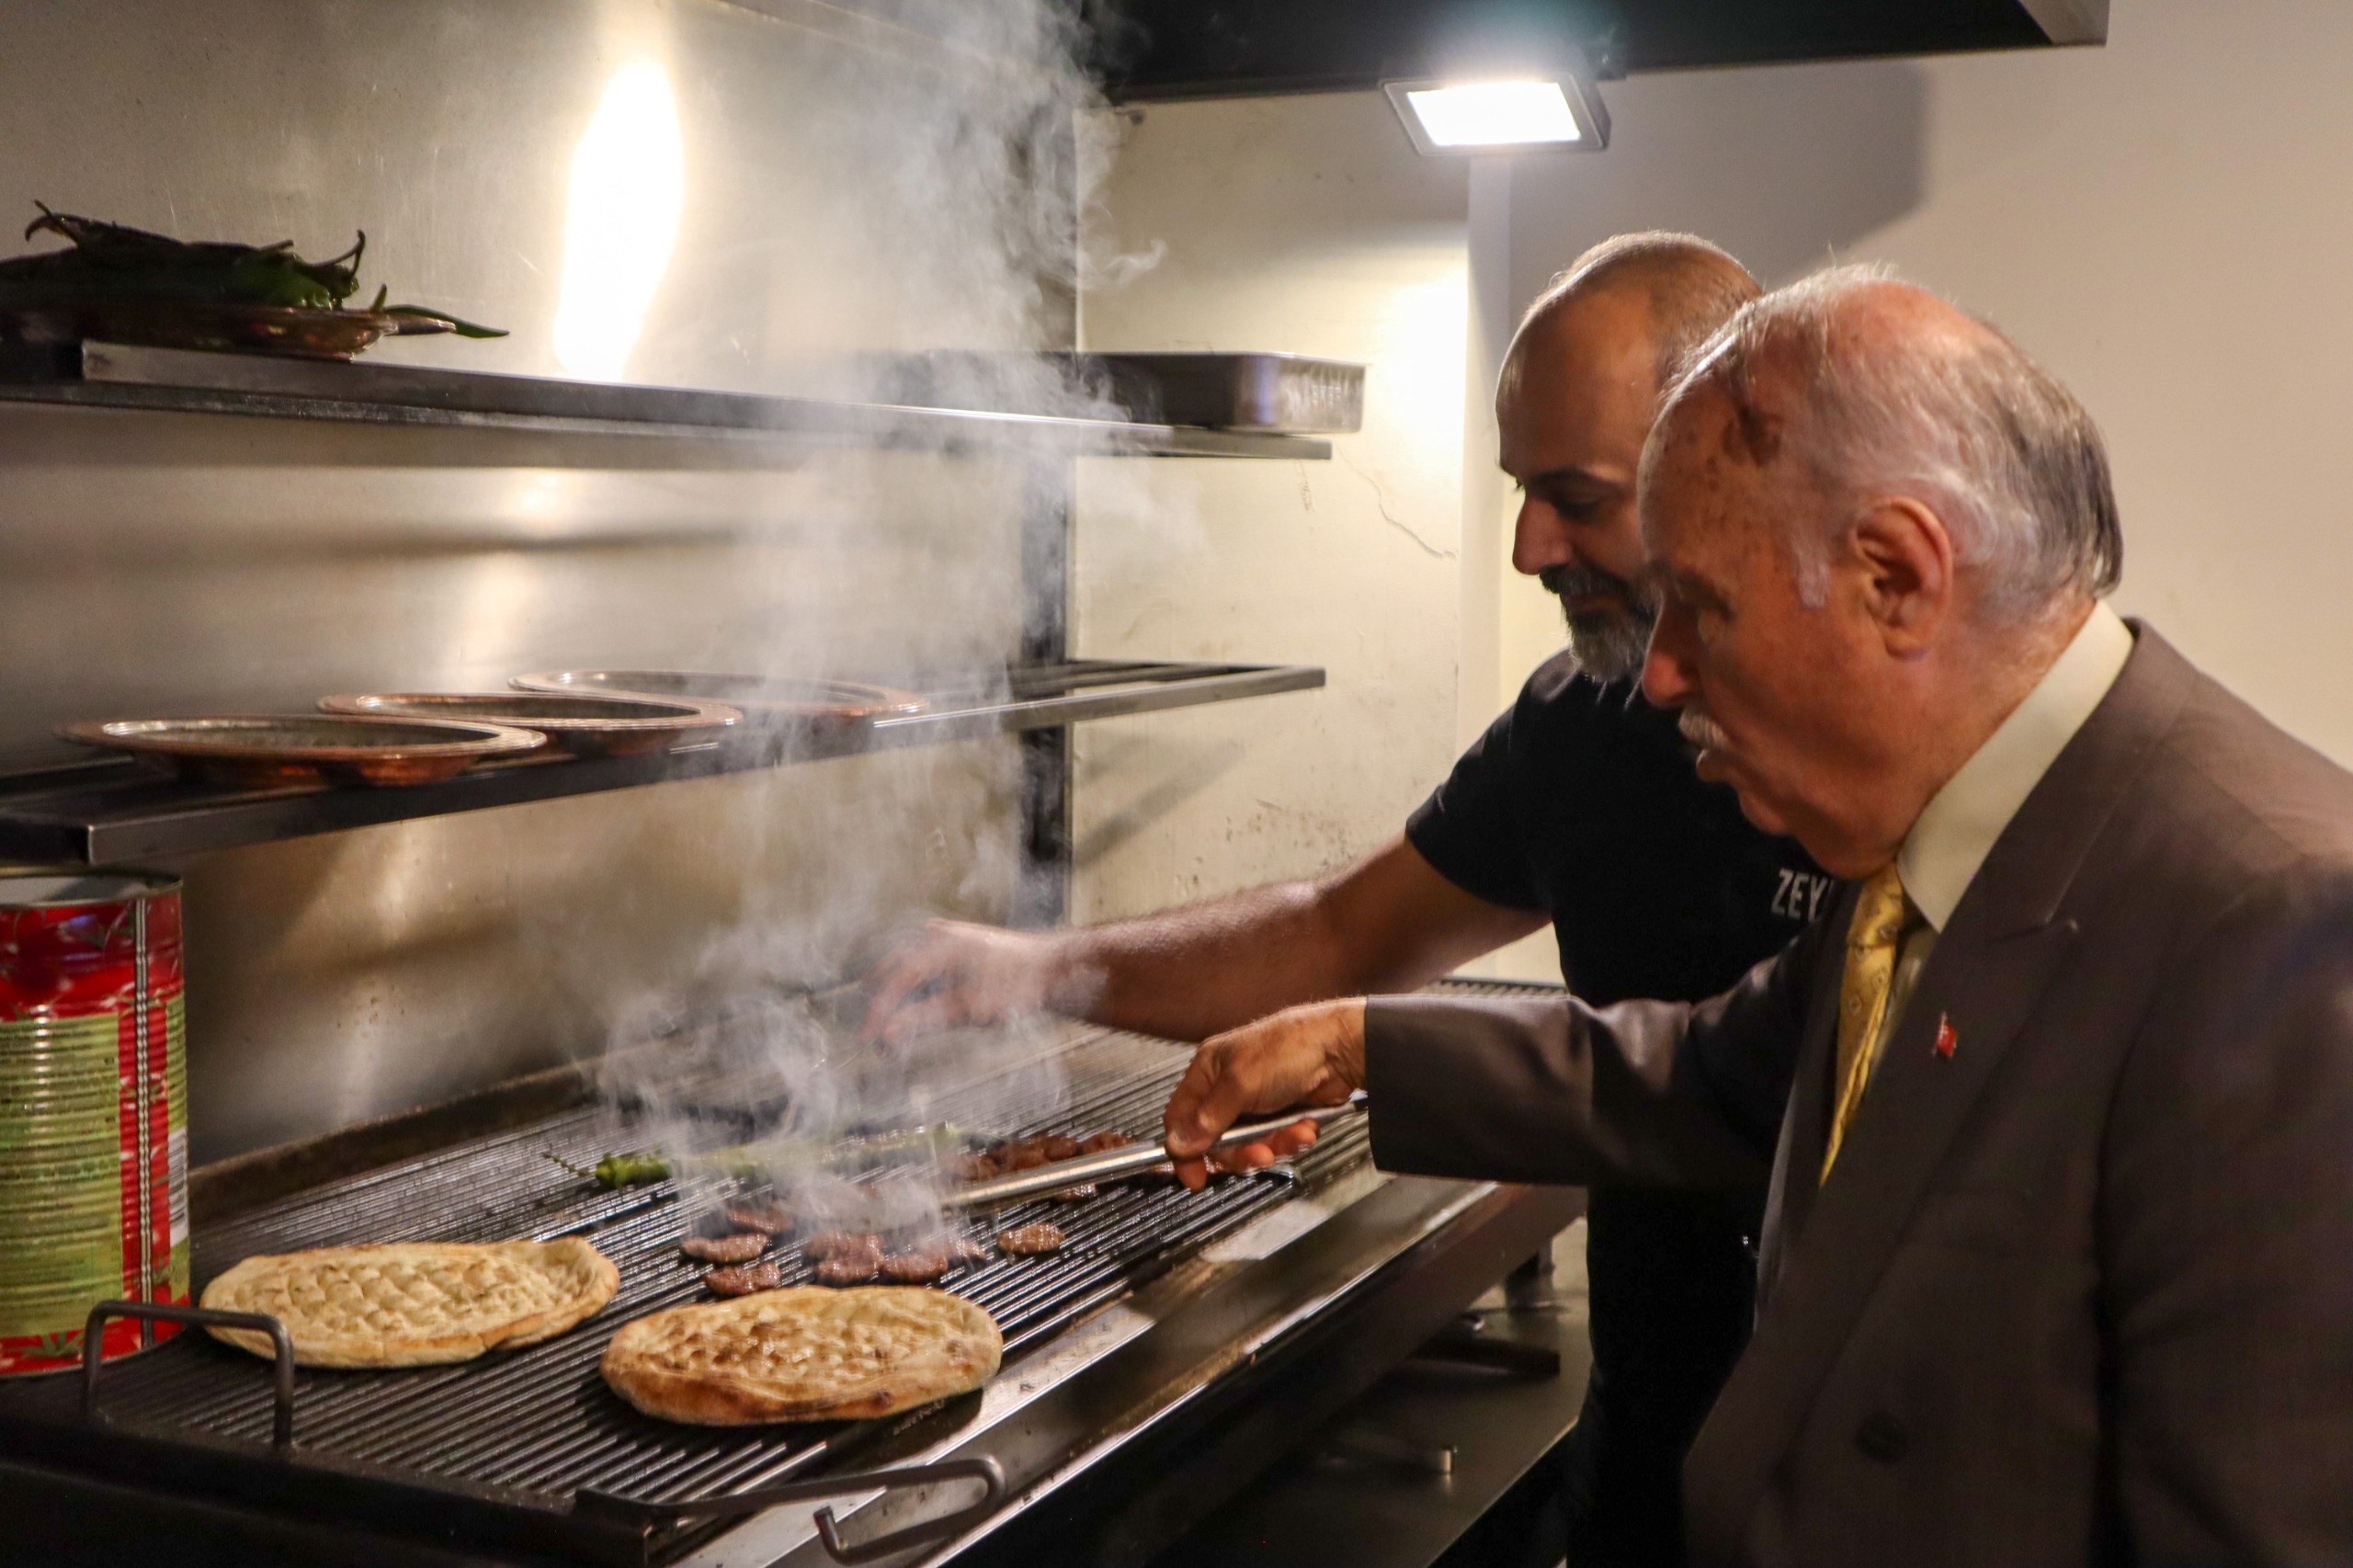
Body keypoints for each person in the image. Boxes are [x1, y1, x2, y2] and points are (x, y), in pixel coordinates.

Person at [1162, 266, 2353, 1565]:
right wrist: (1352, 1046)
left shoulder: (2276, 929)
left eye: (1703, 607)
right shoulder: (1941, 849)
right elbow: (1709, 1078)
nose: (1663, 672)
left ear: (1896, 577)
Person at [861, 233, 1827, 1565]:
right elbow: (1339, 932)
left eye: (1577, 494)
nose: (1529, 545)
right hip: (1647, 1457)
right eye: (1520, 491)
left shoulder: (1885, 765)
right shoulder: (1585, 725)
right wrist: (1037, 967)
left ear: (1721, 461)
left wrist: (1371, 1047)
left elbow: (1753, 1092)